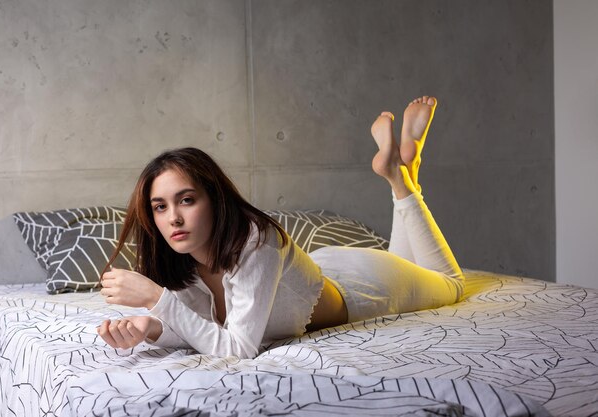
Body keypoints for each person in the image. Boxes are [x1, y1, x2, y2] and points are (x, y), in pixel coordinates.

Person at [97, 96, 464, 359]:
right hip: (322, 268)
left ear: (215, 198)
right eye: (160, 207)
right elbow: (203, 328)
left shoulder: (257, 241)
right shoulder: (182, 261)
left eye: (187, 200)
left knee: (452, 285)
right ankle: (402, 171)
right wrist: (152, 328)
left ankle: (400, 179)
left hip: (365, 285)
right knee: (411, 259)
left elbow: (238, 348)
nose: (172, 217)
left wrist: (154, 300)